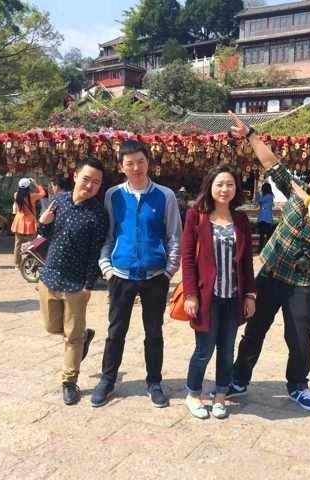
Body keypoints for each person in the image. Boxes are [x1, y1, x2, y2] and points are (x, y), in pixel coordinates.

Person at [228, 112, 310, 411]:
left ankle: (297, 385)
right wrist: (250, 135)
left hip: (300, 283)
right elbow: (272, 164)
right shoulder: (297, 188)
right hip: (270, 274)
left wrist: (309, 200)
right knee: (254, 330)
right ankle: (239, 378)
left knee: (299, 337)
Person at [94, 139, 182, 408]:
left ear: (148, 163)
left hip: (155, 276)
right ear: (121, 167)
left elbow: (174, 236)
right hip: (120, 275)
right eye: (130, 163)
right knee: (115, 331)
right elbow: (108, 235)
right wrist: (106, 268)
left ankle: (154, 382)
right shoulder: (113, 195)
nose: (136, 168)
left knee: (154, 333)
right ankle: (108, 380)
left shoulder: (165, 196)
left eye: (140, 162)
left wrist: (169, 270)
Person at [181, 165, 256, 419]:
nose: (225, 189)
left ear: (236, 189)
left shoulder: (241, 220)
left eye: (230, 184)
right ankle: (194, 394)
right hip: (206, 297)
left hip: (233, 297)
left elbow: (247, 262)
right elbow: (187, 258)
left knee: (227, 350)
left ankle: (221, 395)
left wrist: (250, 295)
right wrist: (190, 294)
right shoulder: (197, 215)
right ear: (210, 187)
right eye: (220, 184)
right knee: (204, 350)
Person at [37, 158, 109, 405]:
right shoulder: (59, 200)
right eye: (86, 179)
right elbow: (45, 235)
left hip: (76, 284)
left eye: (96, 182)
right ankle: (83, 336)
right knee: (51, 327)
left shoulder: (98, 214)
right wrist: (42, 224)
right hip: (49, 277)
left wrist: (89, 285)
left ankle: (69, 381)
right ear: (75, 175)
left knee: (71, 337)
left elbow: (95, 253)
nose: (90, 185)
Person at [11, 178, 45, 268]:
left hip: (19, 221)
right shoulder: (32, 196)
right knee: (32, 243)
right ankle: (30, 262)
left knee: (17, 244)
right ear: (28, 187)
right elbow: (43, 193)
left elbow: (20, 193)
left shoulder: (16, 195)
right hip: (29, 222)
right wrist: (35, 184)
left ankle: (17, 264)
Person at [255, 182, 274, 253]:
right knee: (263, 236)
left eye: (262, 188)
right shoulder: (268, 196)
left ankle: (265, 250)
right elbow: (257, 202)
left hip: (265, 219)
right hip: (265, 219)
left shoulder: (268, 196)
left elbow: (259, 200)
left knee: (265, 236)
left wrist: (257, 192)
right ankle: (262, 250)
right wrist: (257, 193)